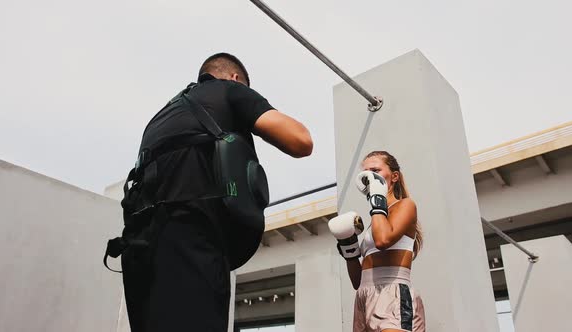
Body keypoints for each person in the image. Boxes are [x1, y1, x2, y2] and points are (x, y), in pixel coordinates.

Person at [121, 52, 313, 332]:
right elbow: (301, 141)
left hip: (139, 251)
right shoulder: (230, 90)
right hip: (192, 240)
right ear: (236, 78)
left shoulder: (160, 116)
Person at [328, 151, 425, 332]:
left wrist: (378, 200)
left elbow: (383, 240)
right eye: (365, 172)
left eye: (375, 170)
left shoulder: (405, 205)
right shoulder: (375, 221)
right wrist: (349, 249)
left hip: (393, 294)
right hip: (364, 298)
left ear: (394, 176)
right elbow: (358, 281)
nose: (369, 177)